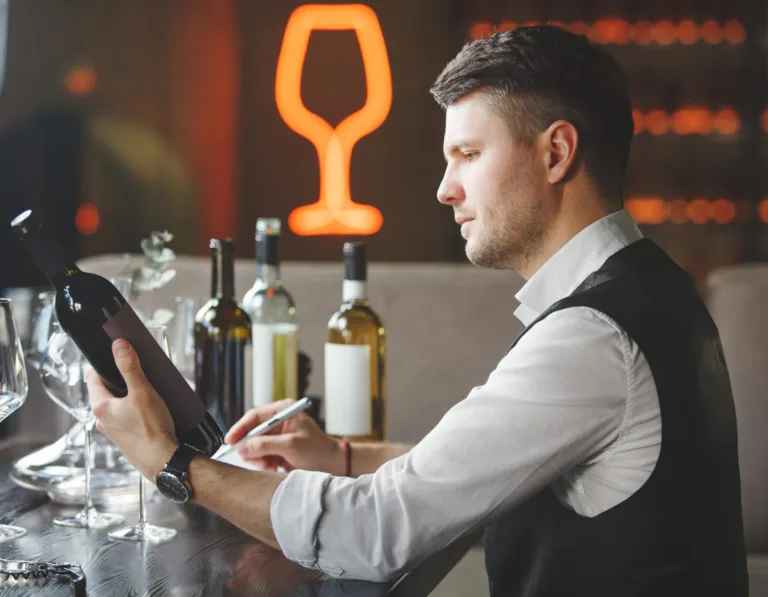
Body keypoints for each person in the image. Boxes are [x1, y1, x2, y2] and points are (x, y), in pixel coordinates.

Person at [88, 25, 748, 596]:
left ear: (556, 152)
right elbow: (491, 467)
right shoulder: (656, 289)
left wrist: (172, 464)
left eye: (467, 154)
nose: (444, 188)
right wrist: (343, 456)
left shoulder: (592, 340)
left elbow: (377, 530)